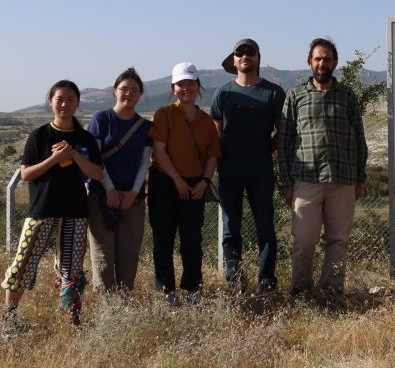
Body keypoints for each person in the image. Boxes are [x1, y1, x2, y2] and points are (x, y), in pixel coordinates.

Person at [1, 80, 103, 337]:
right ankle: (9, 319)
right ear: (50, 102)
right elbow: (26, 174)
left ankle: (71, 321)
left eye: (70, 99)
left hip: (76, 211)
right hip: (42, 210)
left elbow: (97, 174)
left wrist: (74, 155)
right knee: (23, 263)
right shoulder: (40, 136)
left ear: (77, 103)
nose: (65, 104)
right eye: (60, 99)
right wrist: (55, 158)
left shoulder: (84, 138)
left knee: (72, 269)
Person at [277, 38, 368, 297]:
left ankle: (332, 291)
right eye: (317, 58)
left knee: (339, 241)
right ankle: (301, 290)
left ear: (335, 63)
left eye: (327, 59)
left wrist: (360, 178)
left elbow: (359, 140)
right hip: (306, 181)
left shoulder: (348, 96)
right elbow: (284, 143)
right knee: (304, 239)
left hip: (343, 180)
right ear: (309, 63)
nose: (322, 63)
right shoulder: (295, 97)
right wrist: (286, 183)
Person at [211, 38, 286, 295]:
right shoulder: (223, 93)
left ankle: (266, 281)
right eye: (239, 53)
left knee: (265, 227)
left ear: (258, 58)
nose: (245, 57)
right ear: (234, 60)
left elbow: (283, 130)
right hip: (228, 171)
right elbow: (215, 133)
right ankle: (234, 279)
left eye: (250, 52)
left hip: (260, 171)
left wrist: (266, 149)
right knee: (231, 229)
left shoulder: (274, 93)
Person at [148, 62, 220, 305]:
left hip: (194, 184)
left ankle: (192, 289)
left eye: (190, 83)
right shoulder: (164, 114)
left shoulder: (206, 121)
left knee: (192, 239)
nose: (185, 88)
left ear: (199, 87)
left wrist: (204, 181)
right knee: (163, 239)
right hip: (164, 183)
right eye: (181, 84)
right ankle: (167, 292)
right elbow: (158, 150)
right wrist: (177, 180)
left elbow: (212, 155)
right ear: (173, 88)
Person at [86, 67, 152, 294]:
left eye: (134, 90)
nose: (129, 94)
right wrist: (110, 189)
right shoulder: (101, 119)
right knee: (103, 253)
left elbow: (144, 163)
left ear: (140, 94)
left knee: (129, 252)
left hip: (133, 200)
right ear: (115, 91)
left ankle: (123, 301)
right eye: (124, 89)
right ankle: (107, 307)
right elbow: (94, 158)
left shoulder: (145, 126)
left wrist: (133, 193)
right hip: (101, 196)